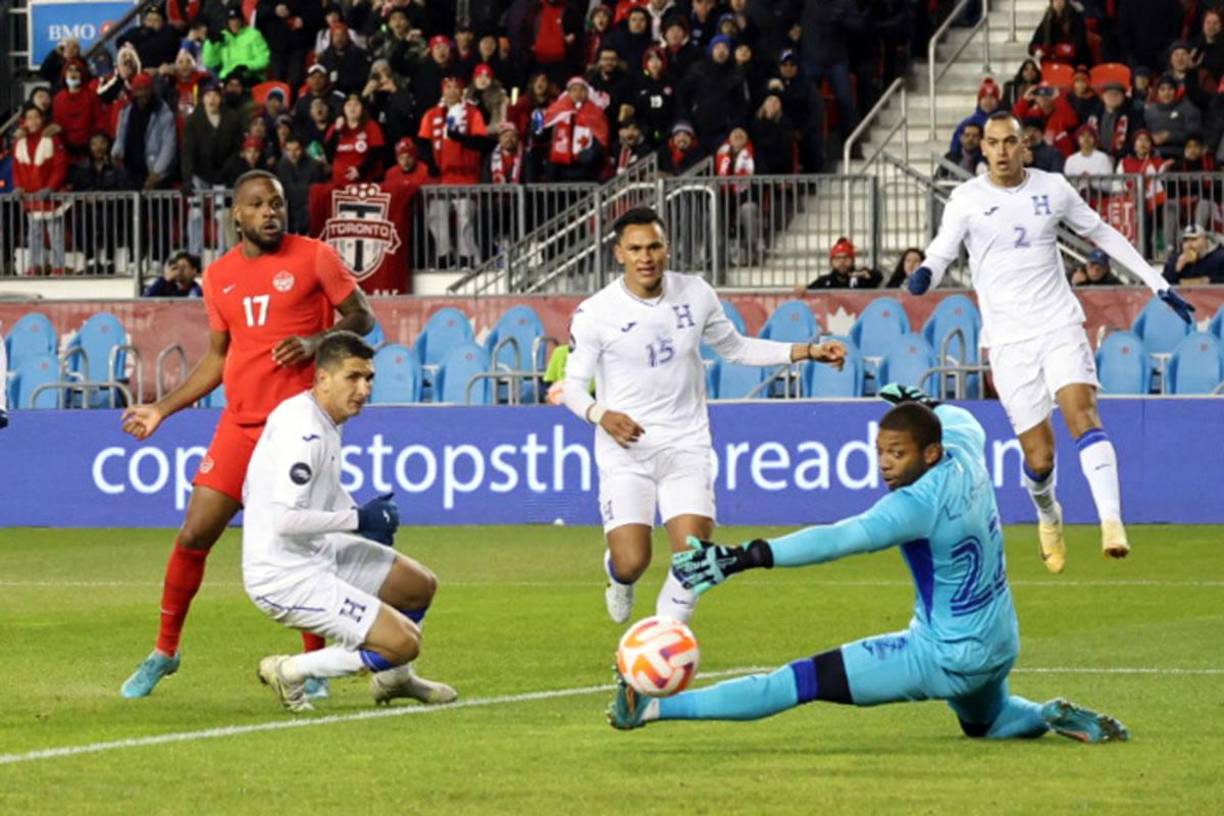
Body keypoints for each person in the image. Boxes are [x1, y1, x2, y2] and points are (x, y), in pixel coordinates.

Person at [608, 387, 1130, 747]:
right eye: (880, 451)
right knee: (988, 726)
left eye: (897, 453)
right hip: (998, 642)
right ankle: (1044, 714)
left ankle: (648, 709)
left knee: (794, 683)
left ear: (929, 453)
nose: (884, 463)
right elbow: (959, 416)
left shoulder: (914, 505)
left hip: (942, 656)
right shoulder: (967, 452)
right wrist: (920, 405)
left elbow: (840, 539)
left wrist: (747, 557)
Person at [118, 169, 376, 699]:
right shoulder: (219, 277)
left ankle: (312, 665)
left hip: (297, 428)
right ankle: (165, 652)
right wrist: (162, 410)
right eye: (257, 204)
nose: (269, 212)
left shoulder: (314, 257)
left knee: (301, 543)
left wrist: (315, 341)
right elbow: (217, 357)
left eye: (277, 203)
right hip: (239, 424)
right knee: (193, 535)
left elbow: (363, 315)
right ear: (236, 214)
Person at [907, 112, 1195, 572]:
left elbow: (1101, 232)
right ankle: (1048, 514)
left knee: (1083, 414)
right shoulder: (966, 198)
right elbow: (943, 248)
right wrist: (926, 271)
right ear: (983, 149)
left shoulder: (1053, 188)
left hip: (1058, 323)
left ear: (1026, 146)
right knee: (1039, 458)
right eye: (993, 143)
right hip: (1007, 341)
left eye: (1010, 142)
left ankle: (1111, 522)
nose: (1002, 151)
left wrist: (1156, 282)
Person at [562, 207, 846, 625]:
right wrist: (600, 413)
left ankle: (660, 644)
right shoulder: (595, 313)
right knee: (631, 561)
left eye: (655, 246)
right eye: (636, 248)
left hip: (686, 443)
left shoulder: (695, 293)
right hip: (626, 451)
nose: (647, 256)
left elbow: (735, 348)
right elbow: (570, 386)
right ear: (618, 253)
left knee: (694, 557)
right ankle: (618, 578)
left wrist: (805, 351)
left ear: (668, 248)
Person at [245, 332, 456, 712]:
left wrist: (361, 516)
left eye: (369, 378)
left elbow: (321, 489)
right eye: (353, 378)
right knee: (403, 643)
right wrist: (358, 518)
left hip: (317, 550)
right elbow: (285, 519)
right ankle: (290, 671)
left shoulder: (322, 415)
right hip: (283, 574)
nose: (363, 389)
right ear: (322, 378)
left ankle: (394, 681)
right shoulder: (304, 433)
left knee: (417, 585)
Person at [800, 237, 882, 290]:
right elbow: (807, 292)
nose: (842, 261)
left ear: (853, 260)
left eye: (846, 258)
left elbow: (879, 277)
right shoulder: (824, 281)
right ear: (831, 262)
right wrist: (801, 289)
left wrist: (870, 274)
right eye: (837, 258)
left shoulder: (861, 278)